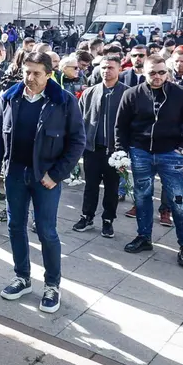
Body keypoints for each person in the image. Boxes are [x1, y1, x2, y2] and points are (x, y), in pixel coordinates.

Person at [0, 52, 86, 314]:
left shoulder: (63, 101)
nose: (30, 78)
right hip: (15, 174)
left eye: (36, 73)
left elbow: (77, 141)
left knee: (46, 231)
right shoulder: (10, 97)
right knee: (15, 226)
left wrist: (56, 174)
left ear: (49, 74)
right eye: (26, 72)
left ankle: (52, 285)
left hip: (45, 178)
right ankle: (22, 277)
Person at [115, 56, 183, 266]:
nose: (157, 76)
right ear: (144, 72)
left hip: (170, 153)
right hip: (140, 152)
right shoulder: (132, 94)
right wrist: (121, 152)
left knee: (178, 200)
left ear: (167, 72)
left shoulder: (181, 93)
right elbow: (121, 126)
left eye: (162, 72)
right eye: (152, 72)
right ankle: (144, 237)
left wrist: (181, 148)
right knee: (142, 197)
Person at [74, 54, 127, 238]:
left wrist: (125, 148)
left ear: (119, 69)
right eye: (103, 67)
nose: (106, 71)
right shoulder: (90, 92)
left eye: (110, 67)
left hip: (115, 151)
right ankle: (87, 216)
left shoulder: (127, 93)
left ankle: (108, 219)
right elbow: (79, 120)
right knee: (90, 185)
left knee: (112, 188)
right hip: (93, 148)